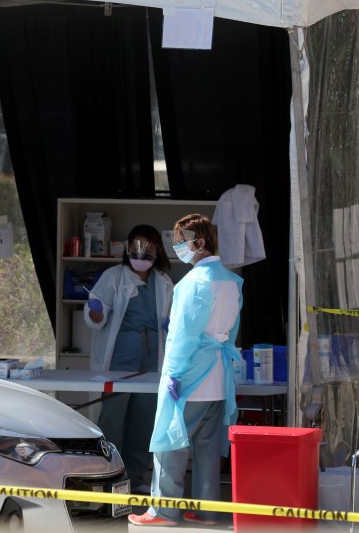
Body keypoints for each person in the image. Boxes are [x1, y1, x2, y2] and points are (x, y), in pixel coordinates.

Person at [129, 213, 243, 527]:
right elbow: (231, 334)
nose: (177, 247)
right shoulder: (232, 282)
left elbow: (183, 336)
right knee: (207, 450)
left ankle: (163, 511)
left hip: (191, 378)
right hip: (219, 377)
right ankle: (207, 512)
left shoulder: (193, 283)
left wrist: (173, 376)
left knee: (170, 444)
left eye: (181, 242)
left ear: (199, 243)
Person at [83, 224, 173, 494]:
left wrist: (171, 323)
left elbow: (170, 320)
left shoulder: (163, 281)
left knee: (144, 418)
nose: (142, 254)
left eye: (149, 249)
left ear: (157, 251)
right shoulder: (114, 277)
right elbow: (95, 319)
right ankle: (108, 474)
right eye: (137, 248)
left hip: (151, 357)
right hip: (120, 357)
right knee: (112, 416)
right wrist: (96, 310)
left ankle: (135, 475)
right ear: (128, 248)